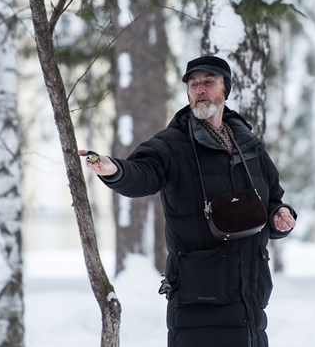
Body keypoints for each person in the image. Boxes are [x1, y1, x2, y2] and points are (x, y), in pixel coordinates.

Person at [79, 55, 297, 347]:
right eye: (193, 84)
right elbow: (143, 172)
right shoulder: (173, 144)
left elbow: (270, 199)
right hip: (199, 297)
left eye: (208, 82)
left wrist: (279, 216)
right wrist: (115, 170)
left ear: (225, 89)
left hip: (250, 294)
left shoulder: (248, 143)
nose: (200, 90)